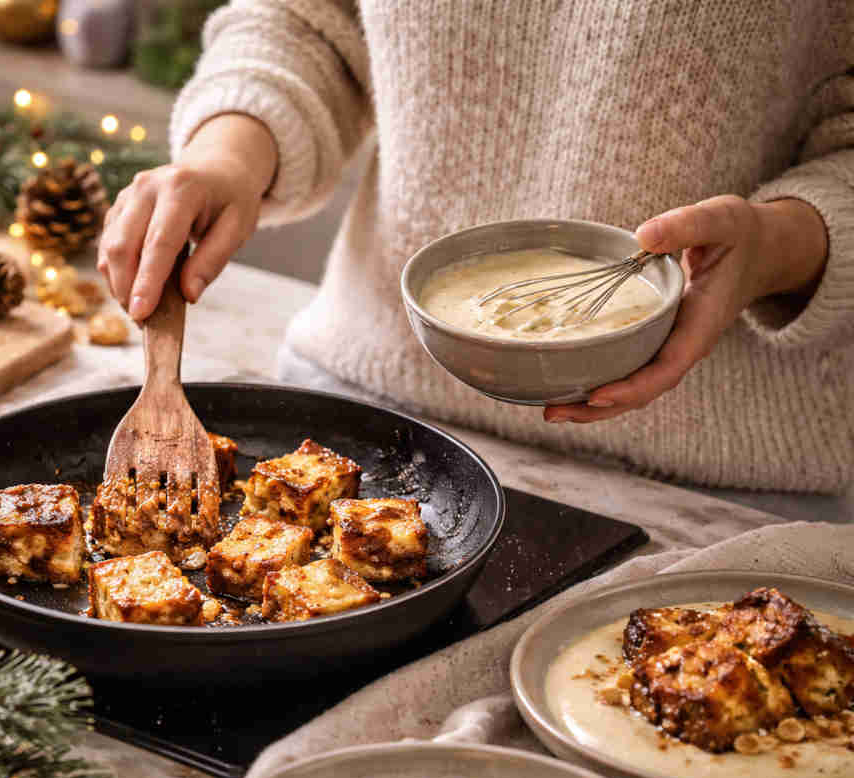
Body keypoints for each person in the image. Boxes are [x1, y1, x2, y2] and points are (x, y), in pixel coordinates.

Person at [97, 0, 853, 493]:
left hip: (716, 491)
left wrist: (774, 246)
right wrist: (228, 156)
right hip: (356, 414)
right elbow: (306, 20)